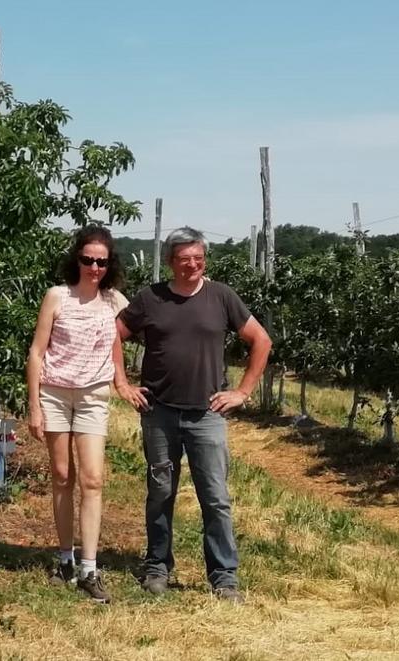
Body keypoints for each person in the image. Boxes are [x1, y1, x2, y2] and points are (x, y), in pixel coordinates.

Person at [115, 226, 272, 604]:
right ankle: (157, 566)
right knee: (160, 492)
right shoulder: (150, 299)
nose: (191, 265)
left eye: (198, 259)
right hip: (159, 413)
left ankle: (224, 577)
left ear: (205, 260)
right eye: (184, 259)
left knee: (215, 497)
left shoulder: (222, 297)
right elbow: (112, 334)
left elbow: (261, 340)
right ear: (171, 262)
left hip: (207, 416)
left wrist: (243, 391)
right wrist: (122, 384)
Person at [26, 224, 139, 604]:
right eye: (88, 260)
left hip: (92, 396)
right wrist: (34, 406)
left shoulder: (115, 302)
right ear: (76, 259)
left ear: (110, 265)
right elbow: (37, 353)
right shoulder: (57, 297)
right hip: (55, 395)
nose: (94, 267)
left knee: (92, 479)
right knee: (62, 477)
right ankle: (64, 559)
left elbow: (149, 323)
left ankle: (89, 567)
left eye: (101, 262)